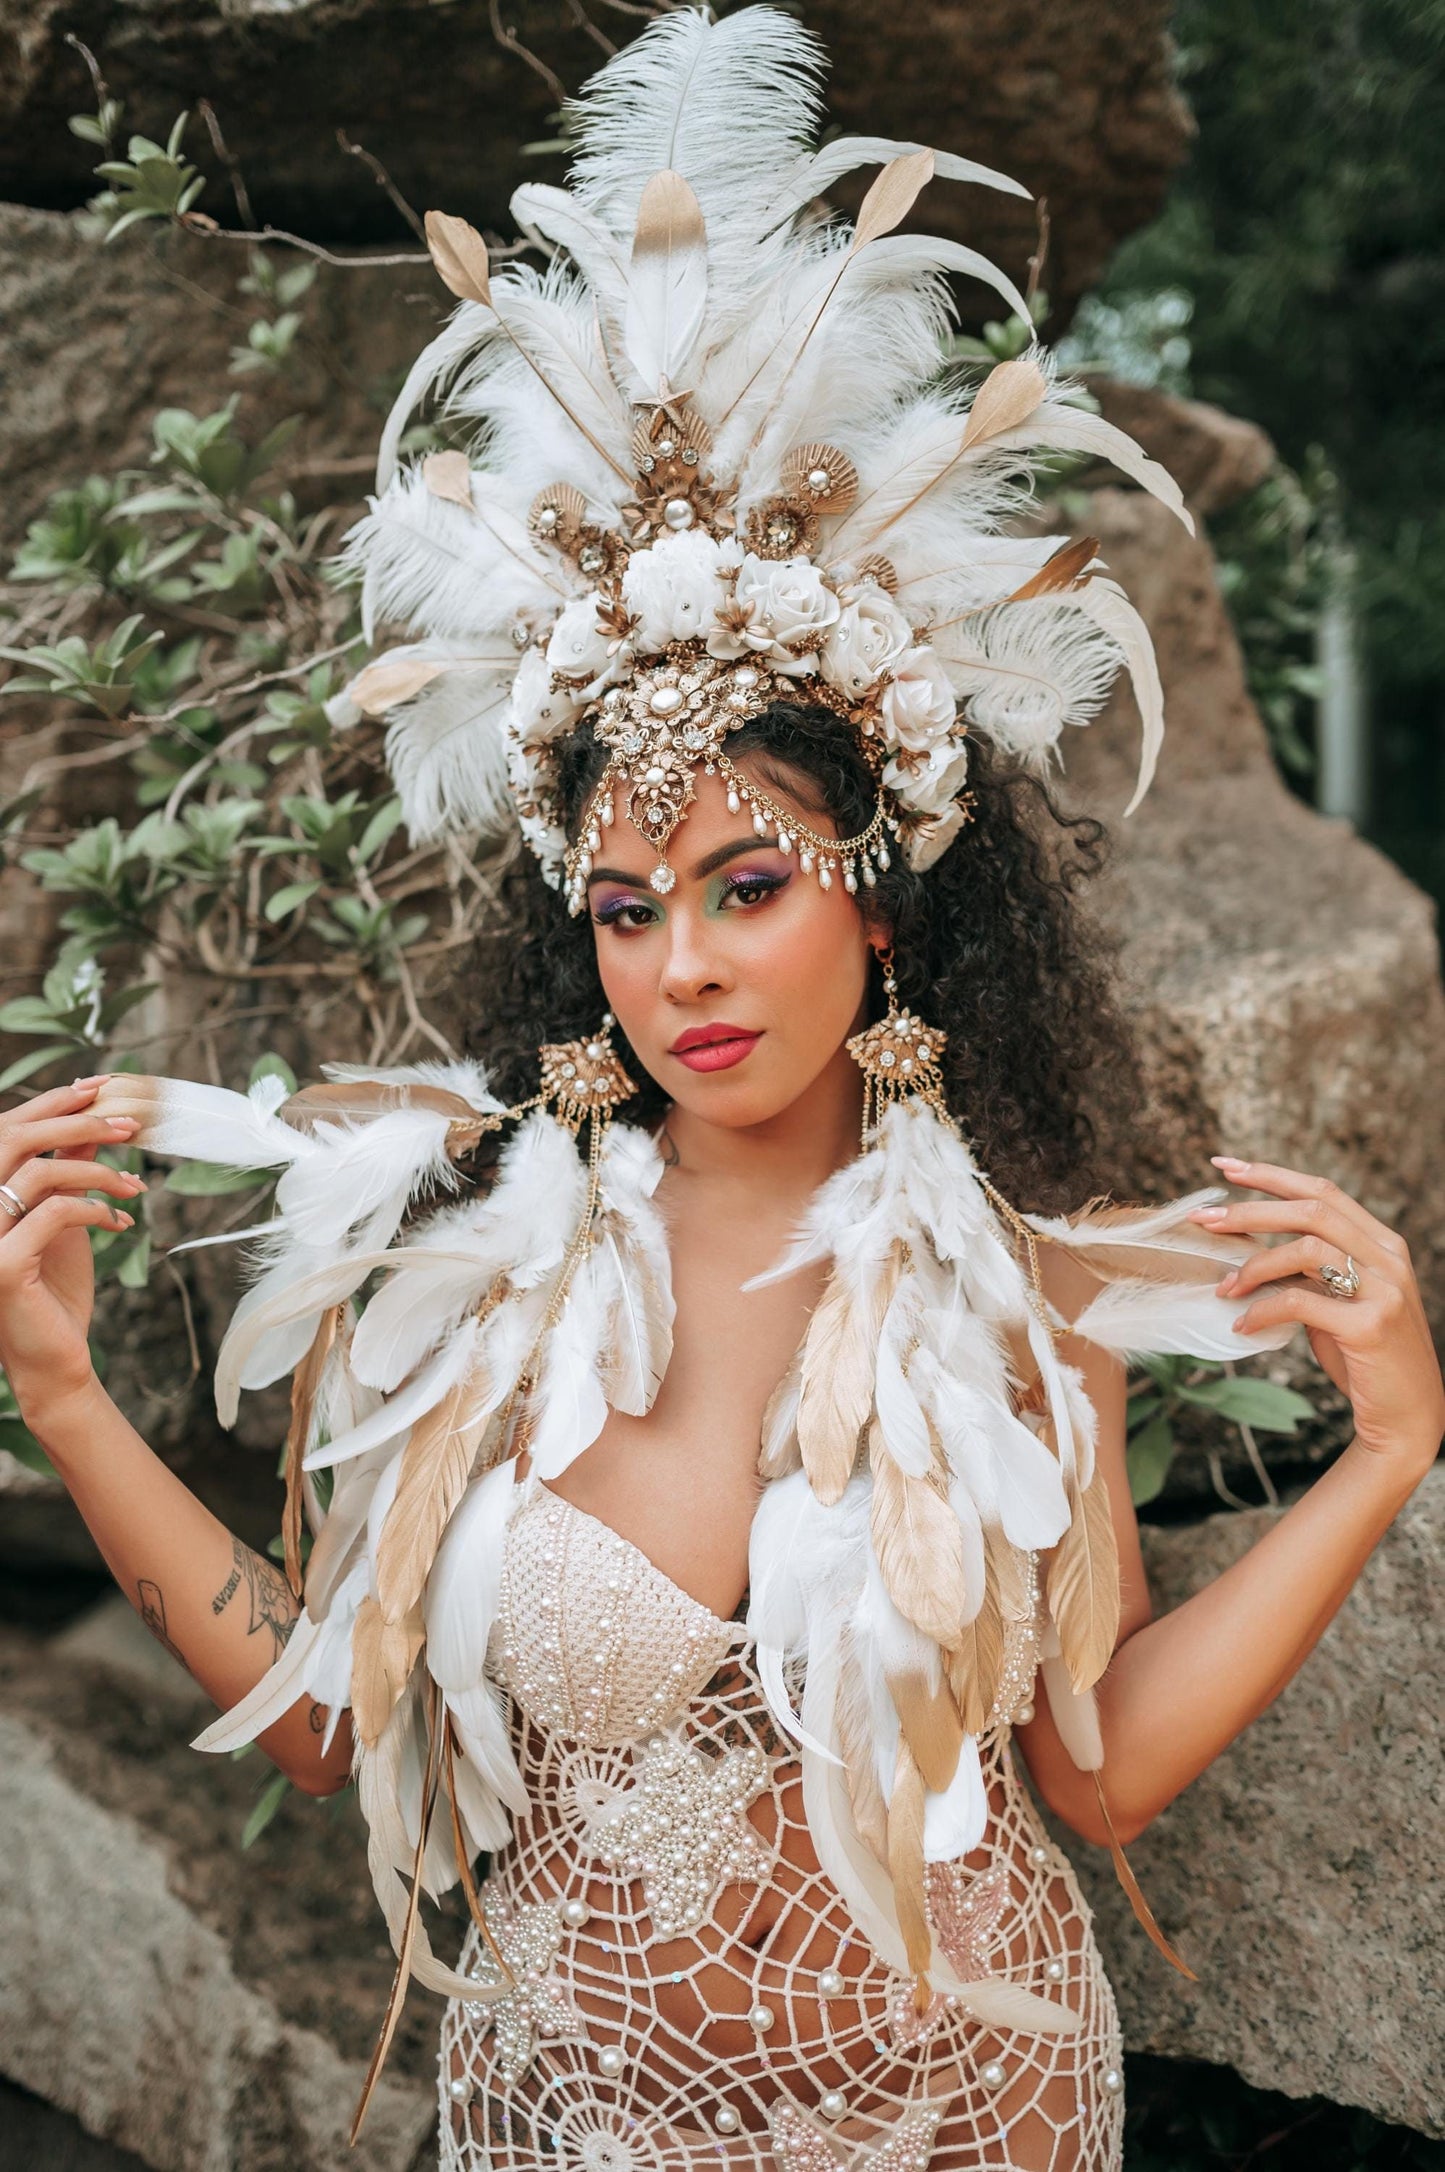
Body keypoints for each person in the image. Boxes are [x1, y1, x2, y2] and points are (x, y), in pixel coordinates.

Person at [1, 11, 1439, 2170]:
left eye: (745, 884)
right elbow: (327, 1723)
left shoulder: (1030, 1295)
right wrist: (72, 1402)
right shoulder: (479, 1264)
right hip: (581, 2112)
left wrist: (1389, 1451)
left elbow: (1102, 1769)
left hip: (974, 2113)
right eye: (622, 901)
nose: (679, 960)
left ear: (883, 905)